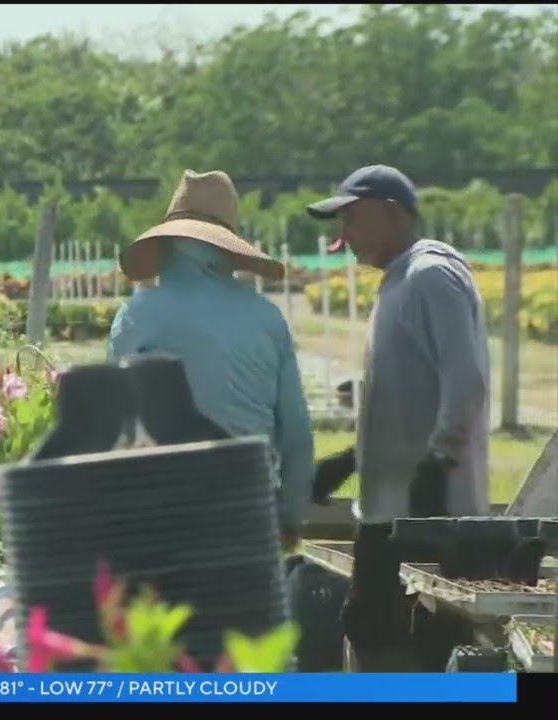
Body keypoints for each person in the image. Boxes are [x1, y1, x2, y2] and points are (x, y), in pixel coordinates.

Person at [306, 164, 490, 671]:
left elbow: (465, 379)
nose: (343, 235)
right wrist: (351, 460)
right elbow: (406, 403)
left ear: (391, 213)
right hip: (390, 512)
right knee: (374, 633)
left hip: (431, 516)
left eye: (351, 219)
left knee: (411, 645)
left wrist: (438, 461)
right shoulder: (399, 281)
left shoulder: (432, 274)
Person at [108, 169, 315, 548]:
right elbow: (297, 436)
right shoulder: (267, 318)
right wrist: (289, 516)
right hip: (250, 507)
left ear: (168, 245)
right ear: (226, 249)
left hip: (163, 509)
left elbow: (116, 431)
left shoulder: (136, 316)